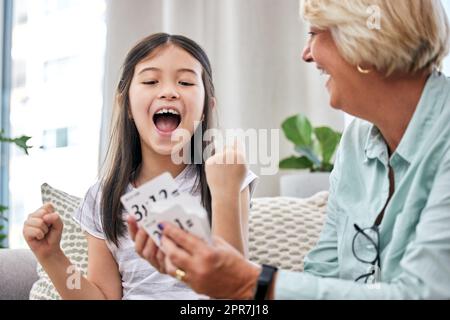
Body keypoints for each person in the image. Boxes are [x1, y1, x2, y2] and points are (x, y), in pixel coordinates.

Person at [137, 0, 450, 299]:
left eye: (314, 33)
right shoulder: (356, 145)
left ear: (367, 40)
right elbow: (323, 274)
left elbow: (424, 294)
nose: (306, 54)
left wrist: (248, 282)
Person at [23, 33, 258, 300]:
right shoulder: (103, 198)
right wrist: (53, 257)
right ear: (127, 106)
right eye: (150, 81)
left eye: (185, 82)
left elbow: (237, 297)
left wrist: (226, 193)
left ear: (206, 107)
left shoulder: (227, 178)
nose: (169, 91)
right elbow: (102, 297)